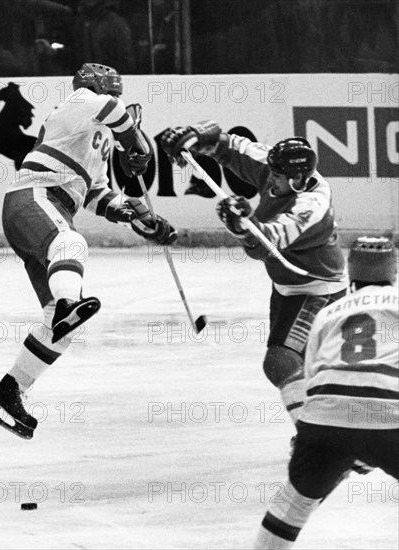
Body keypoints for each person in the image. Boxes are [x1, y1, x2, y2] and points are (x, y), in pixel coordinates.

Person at [0, 63, 177, 439]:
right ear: (97, 86)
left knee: (60, 326)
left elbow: (97, 194)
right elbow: (117, 115)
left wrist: (138, 217)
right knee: (71, 244)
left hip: (45, 207)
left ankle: (8, 390)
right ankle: (69, 305)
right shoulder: (81, 102)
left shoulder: (96, 139)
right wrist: (136, 146)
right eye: (112, 91)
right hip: (33, 197)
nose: (116, 98)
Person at [161, 123, 347, 423]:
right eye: (271, 171)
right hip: (288, 287)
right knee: (298, 366)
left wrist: (242, 227)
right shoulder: (277, 166)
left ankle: (317, 437)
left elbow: (265, 245)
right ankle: (331, 430)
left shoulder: (311, 205)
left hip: (318, 290)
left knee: (281, 362)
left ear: (299, 178)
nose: (271, 180)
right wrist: (193, 138)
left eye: (278, 176)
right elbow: (230, 145)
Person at [252, 236, 399, 549]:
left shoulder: (329, 313)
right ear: (394, 272)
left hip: (324, 418)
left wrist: (327, 439)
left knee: (291, 506)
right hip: (388, 411)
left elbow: (313, 377)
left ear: (351, 272)